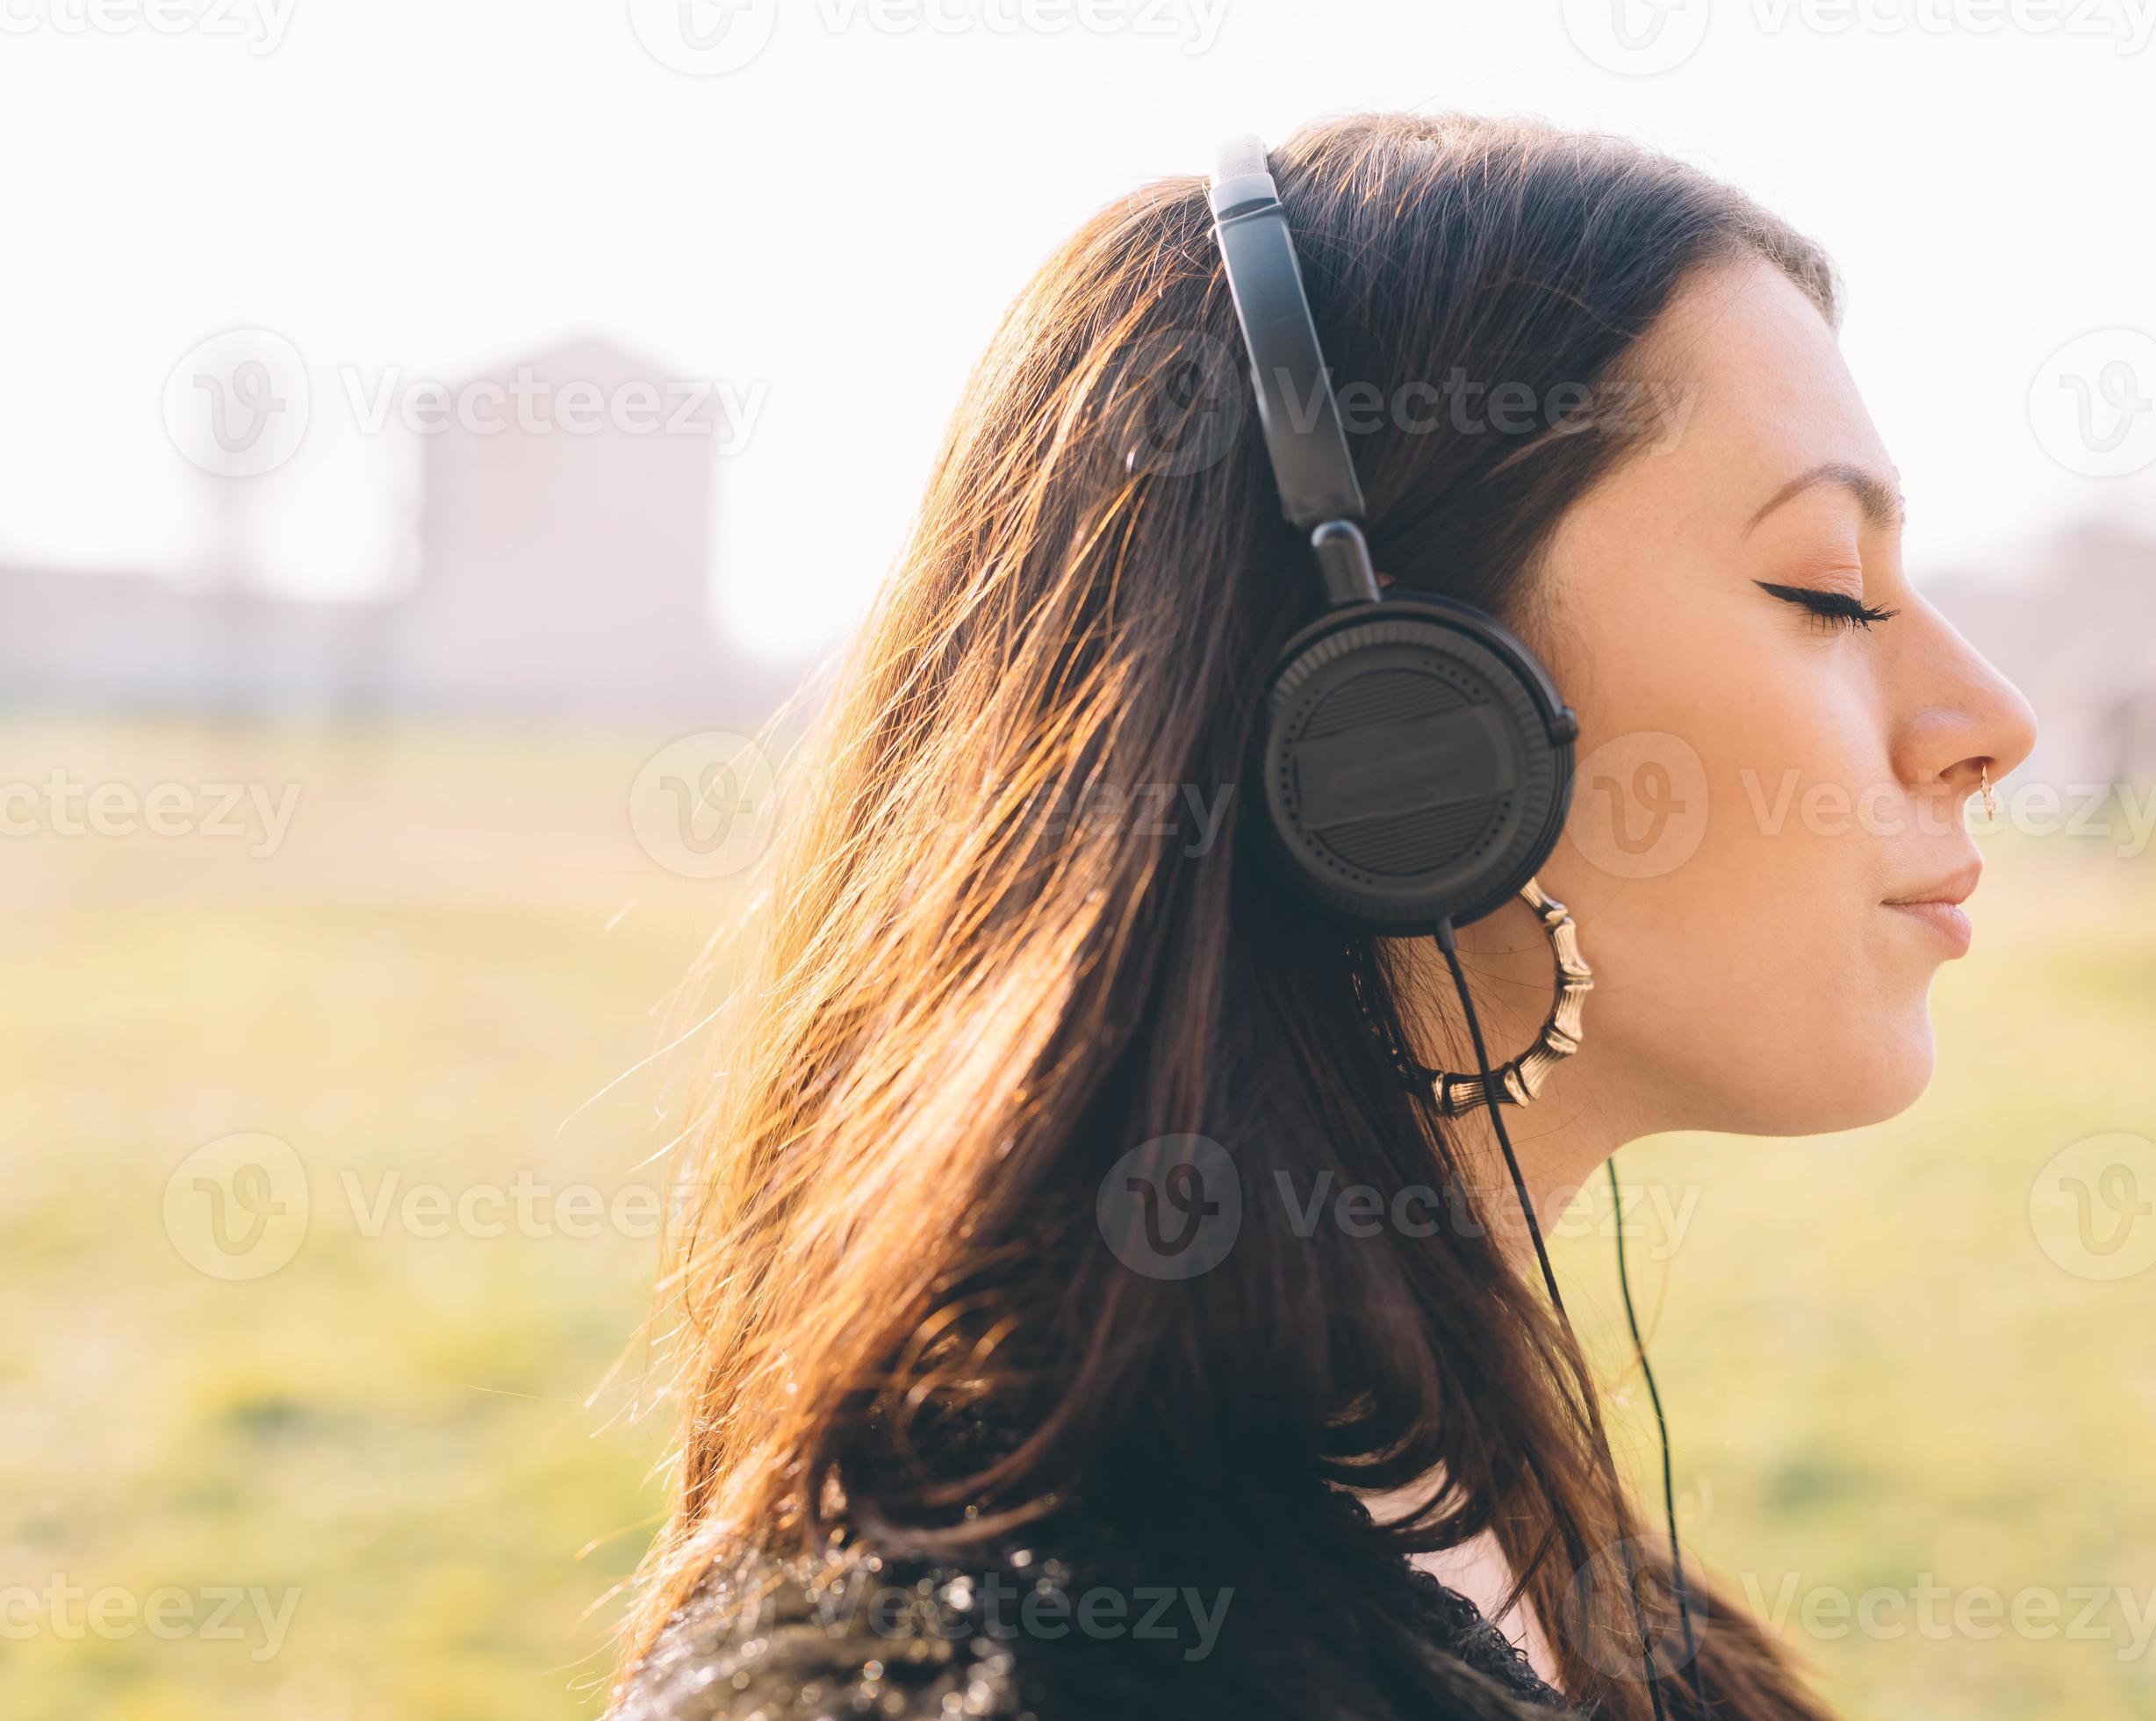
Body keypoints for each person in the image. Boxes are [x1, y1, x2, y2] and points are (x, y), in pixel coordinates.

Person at [608, 111, 2037, 1721]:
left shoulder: (1542, 1565)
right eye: (1827, 590)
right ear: (1400, 726)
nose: (1992, 719)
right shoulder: (991, 1682)